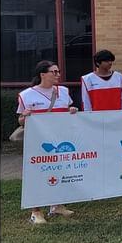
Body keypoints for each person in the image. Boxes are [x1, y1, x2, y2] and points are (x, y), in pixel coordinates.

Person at [18, 61, 79, 224]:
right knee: (37, 173)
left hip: (60, 140)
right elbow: (21, 121)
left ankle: (57, 205)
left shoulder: (64, 92)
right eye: (54, 72)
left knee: (59, 171)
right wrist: (24, 116)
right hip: (38, 142)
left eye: (58, 71)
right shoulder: (27, 95)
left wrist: (72, 111)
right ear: (42, 75)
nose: (58, 74)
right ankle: (35, 211)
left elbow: (67, 112)